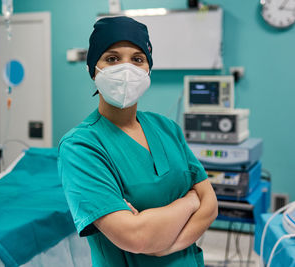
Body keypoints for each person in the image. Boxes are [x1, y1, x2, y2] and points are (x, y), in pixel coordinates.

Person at [58, 16, 218, 267]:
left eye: (137, 59)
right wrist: (190, 201)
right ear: (93, 69)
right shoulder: (81, 147)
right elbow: (136, 237)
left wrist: (164, 247)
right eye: (112, 58)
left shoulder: (167, 128)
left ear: (148, 69)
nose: (126, 68)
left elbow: (210, 205)